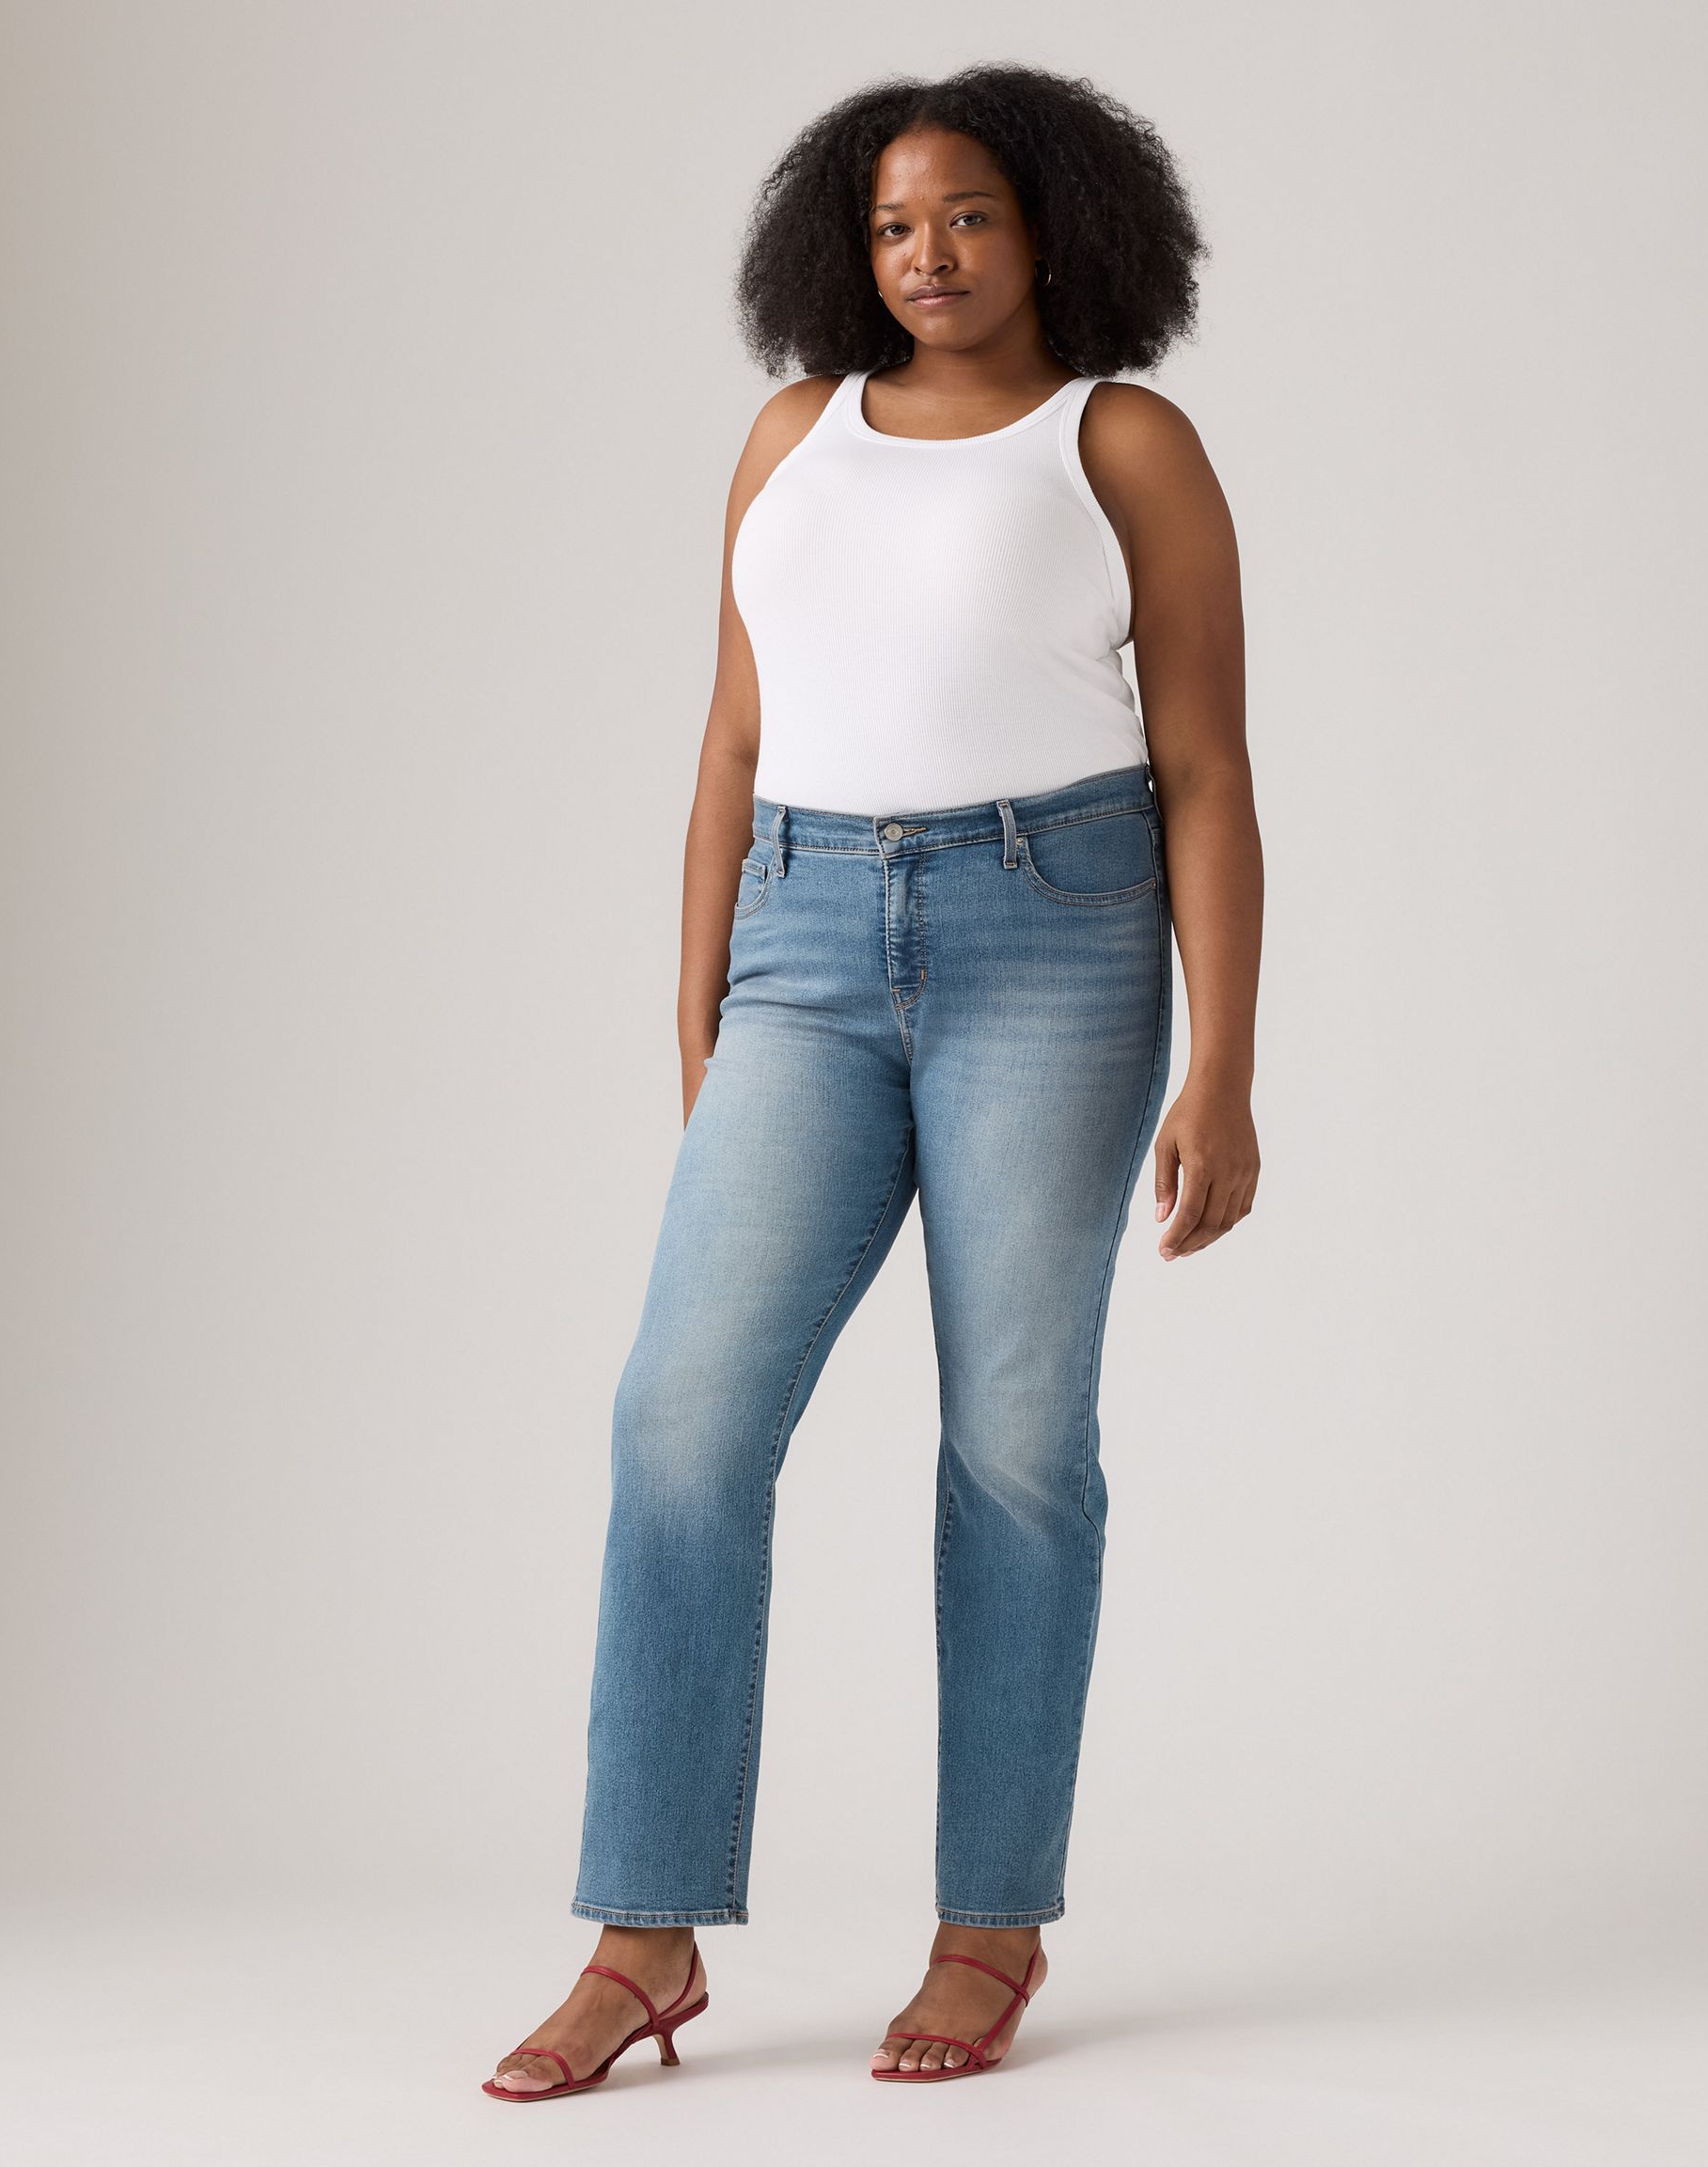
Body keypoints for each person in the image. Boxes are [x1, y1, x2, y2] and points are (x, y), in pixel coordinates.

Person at [482, 61, 1263, 2101]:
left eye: (969, 216)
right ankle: (644, 1932)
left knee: (1012, 1441)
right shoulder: (791, 437)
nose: (929, 253)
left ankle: (990, 1918)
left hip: (1053, 937)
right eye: (896, 223)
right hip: (805, 944)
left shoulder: (1121, 442)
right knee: (680, 1415)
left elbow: (1203, 769)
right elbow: (730, 747)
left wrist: (1228, 1065)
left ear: (1054, 228)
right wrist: (701, 1004)